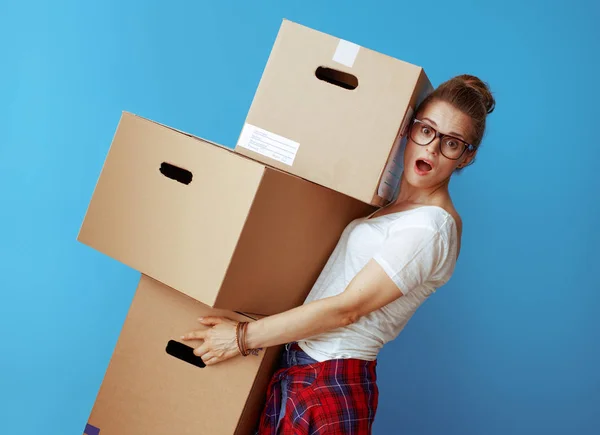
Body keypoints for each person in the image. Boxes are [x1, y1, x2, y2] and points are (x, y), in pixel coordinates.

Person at [181, 74, 495, 434]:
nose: (432, 149)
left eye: (452, 143)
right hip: (305, 370)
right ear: (409, 129)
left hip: (331, 377)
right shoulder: (393, 207)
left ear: (465, 158)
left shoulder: (430, 227)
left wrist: (241, 338)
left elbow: (349, 309)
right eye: (427, 130)